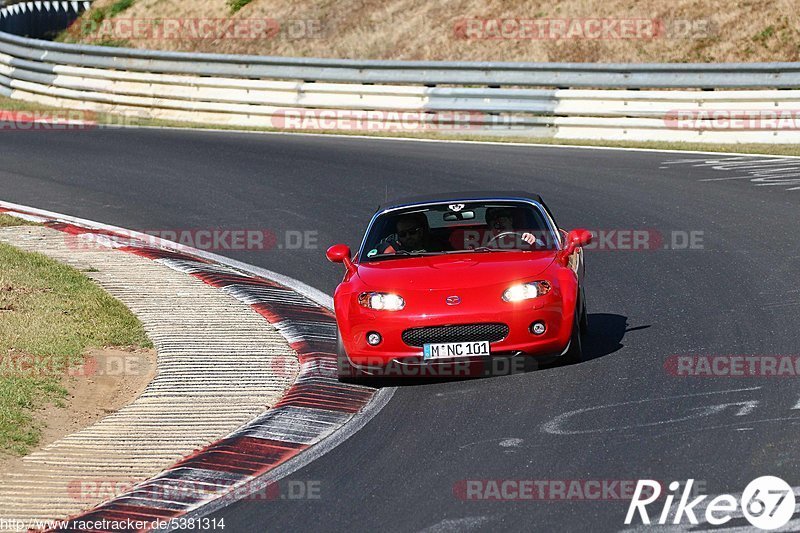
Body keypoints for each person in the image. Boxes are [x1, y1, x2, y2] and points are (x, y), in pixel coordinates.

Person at [378, 212, 446, 254]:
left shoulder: (437, 246)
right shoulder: (394, 247)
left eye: (412, 232)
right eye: (403, 234)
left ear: (420, 231)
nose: (408, 236)